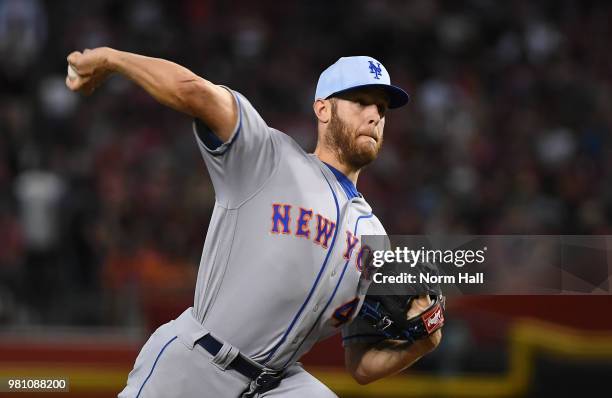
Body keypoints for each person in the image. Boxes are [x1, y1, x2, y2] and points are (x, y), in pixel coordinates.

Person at [65, 48, 442, 398]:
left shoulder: (374, 239)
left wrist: (421, 342)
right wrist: (113, 59)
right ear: (323, 110)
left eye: (382, 108)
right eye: (360, 102)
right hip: (198, 364)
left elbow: (360, 365)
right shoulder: (268, 157)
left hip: (277, 383)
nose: (375, 115)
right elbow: (193, 91)